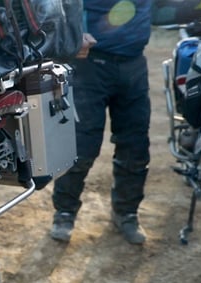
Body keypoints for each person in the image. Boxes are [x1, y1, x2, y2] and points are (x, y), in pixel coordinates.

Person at [49, 0, 153, 245]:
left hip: (134, 66)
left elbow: (168, 7)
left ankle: (126, 213)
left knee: (135, 146)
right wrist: (73, 34)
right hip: (90, 65)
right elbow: (58, 5)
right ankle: (64, 211)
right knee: (81, 147)